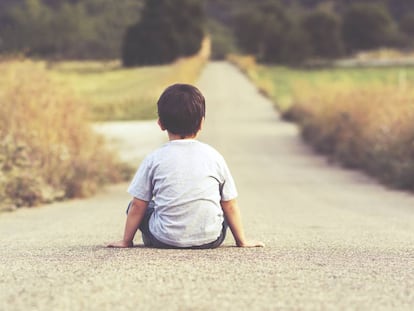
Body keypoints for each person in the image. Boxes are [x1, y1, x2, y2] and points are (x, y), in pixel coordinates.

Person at [108, 84, 264, 249]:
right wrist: (242, 241)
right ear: (201, 123)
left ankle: (154, 237)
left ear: (160, 123)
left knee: (139, 207)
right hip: (210, 239)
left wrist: (126, 241)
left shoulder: (154, 158)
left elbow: (138, 205)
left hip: (164, 239)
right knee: (220, 204)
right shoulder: (214, 156)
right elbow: (230, 205)